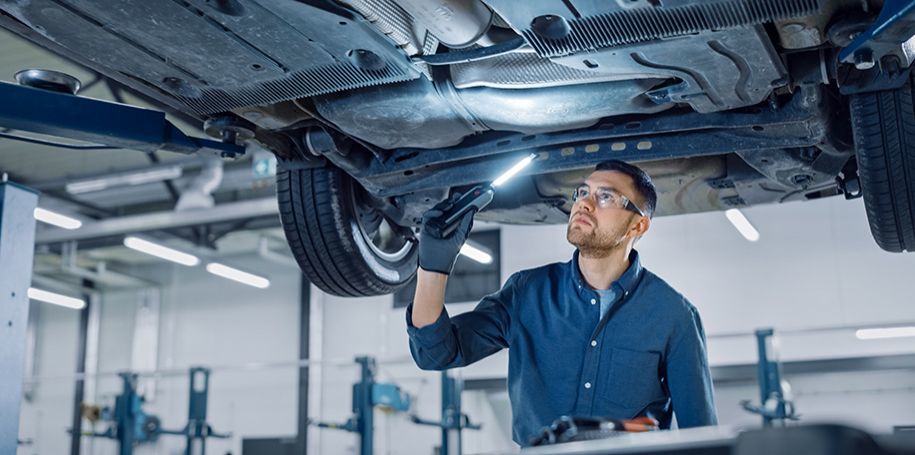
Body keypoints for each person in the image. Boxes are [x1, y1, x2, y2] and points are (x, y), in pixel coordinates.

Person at [405, 159, 717, 446]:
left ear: (638, 225)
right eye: (583, 192)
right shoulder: (527, 293)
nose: (584, 203)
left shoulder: (674, 316)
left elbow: (701, 435)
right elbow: (437, 353)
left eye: (605, 196)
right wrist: (433, 267)